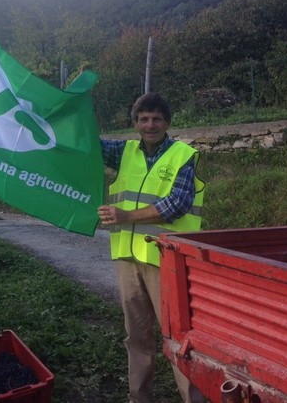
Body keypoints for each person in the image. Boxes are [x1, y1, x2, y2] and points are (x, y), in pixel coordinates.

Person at [97, 93, 205, 403]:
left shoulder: (183, 155)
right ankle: (139, 398)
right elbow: (88, 144)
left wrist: (127, 216)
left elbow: (177, 205)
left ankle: (193, 399)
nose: (150, 124)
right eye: (143, 119)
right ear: (135, 124)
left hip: (167, 261)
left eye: (157, 118)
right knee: (137, 338)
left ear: (167, 122)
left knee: (179, 338)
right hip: (127, 260)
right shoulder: (124, 151)